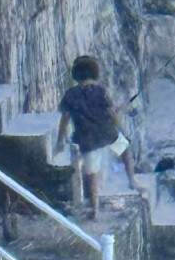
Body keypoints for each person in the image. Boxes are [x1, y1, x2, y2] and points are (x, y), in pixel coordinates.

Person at [56, 55, 136, 219]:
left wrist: (60, 141)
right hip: (107, 133)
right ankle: (132, 180)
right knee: (125, 151)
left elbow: (64, 120)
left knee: (91, 174)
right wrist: (125, 132)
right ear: (94, 73)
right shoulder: (101, 91)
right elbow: (112, 115)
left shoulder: (70, 95)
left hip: (86, 138)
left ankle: (95, 210)